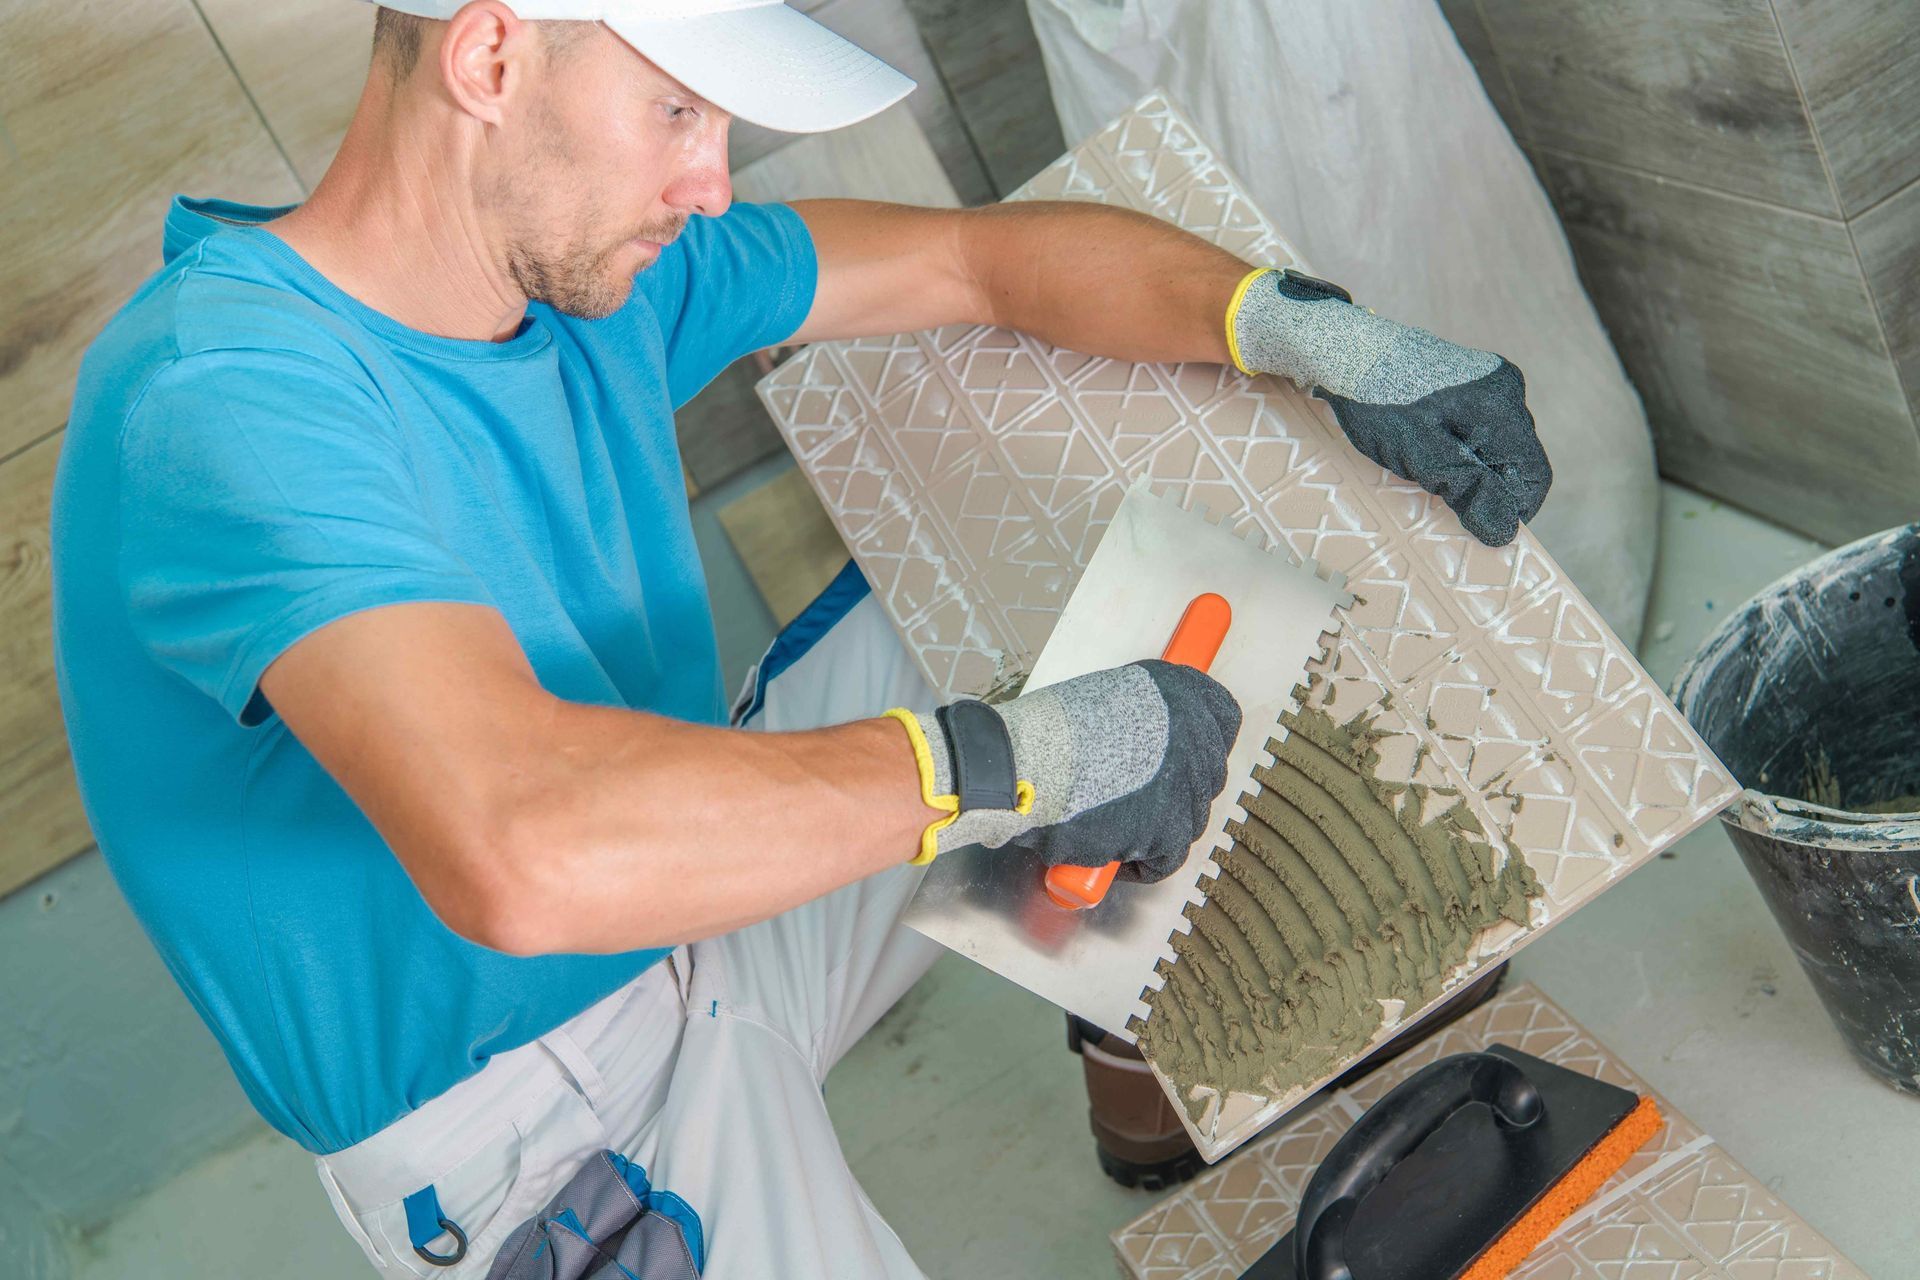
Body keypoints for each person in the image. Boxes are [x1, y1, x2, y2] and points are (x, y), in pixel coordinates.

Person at [48, 1, 1551, 1275]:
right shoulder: (223, 398)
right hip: (537, 1116)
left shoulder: (572, 290)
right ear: (492, 59)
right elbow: (523, 847)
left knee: (1087, 496)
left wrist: (1300, 330)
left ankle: (1138, 1033)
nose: (713, 183)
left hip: (708, 899)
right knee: (1019, 726)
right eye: (681, 110)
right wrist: (1031, 754)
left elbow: (983, 262)